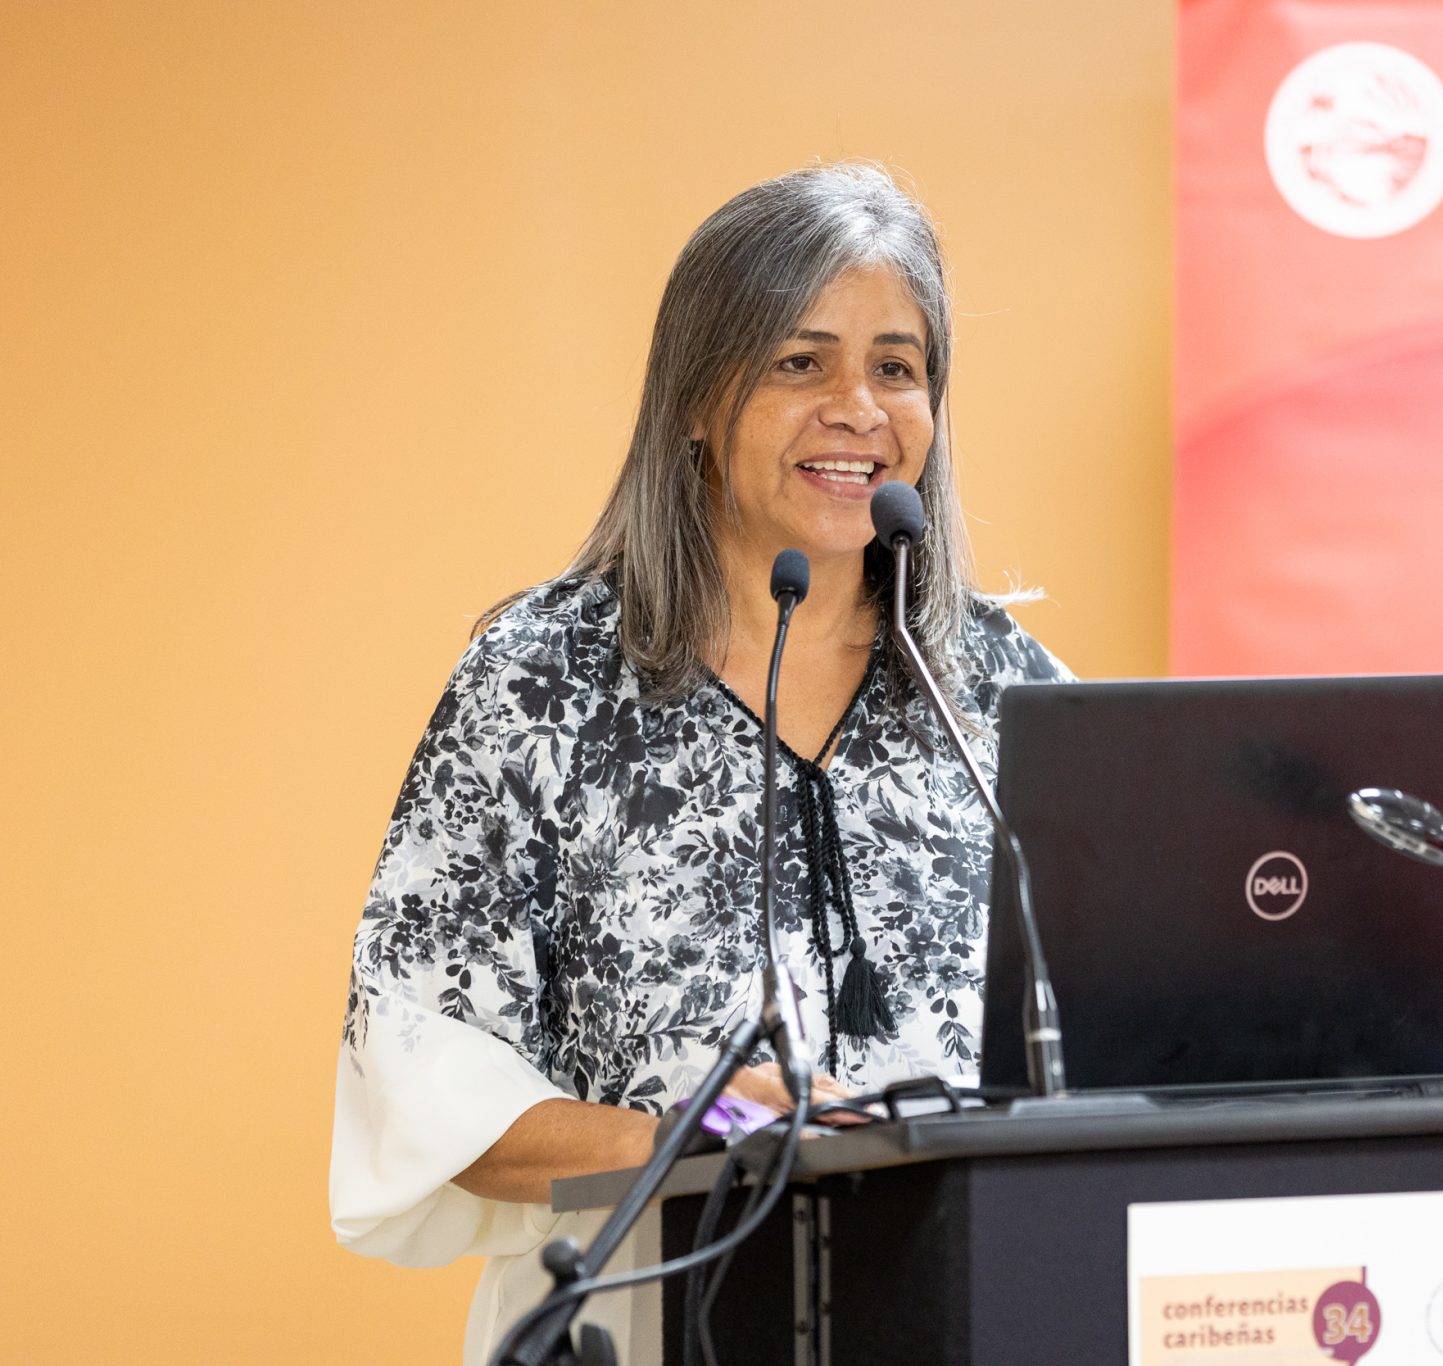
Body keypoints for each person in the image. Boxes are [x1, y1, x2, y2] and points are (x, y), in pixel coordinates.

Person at [329, 162, 1070, 1363]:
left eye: (896, 366)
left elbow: (1124, 1031)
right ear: (692, 397)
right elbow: (425, 1074)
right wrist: (710, 1124)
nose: (857, 407)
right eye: (798, 361)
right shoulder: (543, 676)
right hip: (653, 1309)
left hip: (972, 1303)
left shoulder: (1006, 686)